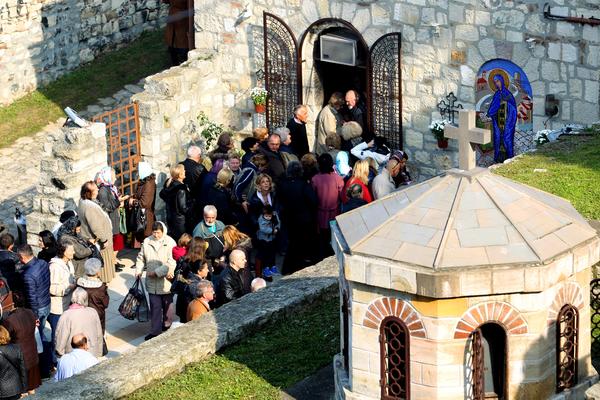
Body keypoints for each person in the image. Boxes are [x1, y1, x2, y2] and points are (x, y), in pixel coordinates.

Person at [135, 222, 176, 341]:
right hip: (152, 282)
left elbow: (171, 262)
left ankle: (167, 324)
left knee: (168, 306)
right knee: (155, 306)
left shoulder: (170, 242)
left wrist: (156, 272)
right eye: (154, 232)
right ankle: (155, 331)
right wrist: (138, 270)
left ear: (163, 232)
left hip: (166, 281)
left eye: (158, 232)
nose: (156, 235)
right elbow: (141, 257)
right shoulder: (147, 241)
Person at [278, 161, 318, 274]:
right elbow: (313, 200)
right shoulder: (304, 184)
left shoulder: (283, 184)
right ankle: (299, 267)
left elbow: (280, 200)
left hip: (289, 218)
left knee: (293, 242)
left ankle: (289, 267)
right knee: (302, 243)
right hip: (303, 218)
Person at [1, 294, 40, 394]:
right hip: (33, 355)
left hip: (20, 360)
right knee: (32, 389)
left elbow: (4, 338)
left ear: (13, 303)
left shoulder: (9, 321)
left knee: (23, 392)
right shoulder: (30, 312)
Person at [77, 181, 115, 283]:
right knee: (103, 266)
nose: (98, 189)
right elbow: (96, 227)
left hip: (97, 241)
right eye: (95, 189)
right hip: (100, 243)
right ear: (89, 193)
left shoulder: (84, 202)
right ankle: (102, 284)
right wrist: (104, 239)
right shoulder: (89, 207)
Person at [95, 167, 128, 273]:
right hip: (110, 220)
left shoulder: (110, 187)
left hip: (114, 218)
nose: (115, 178)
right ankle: (111, 263)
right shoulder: (103, 190)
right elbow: (107, 207)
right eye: (113, 176)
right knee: (114, 243)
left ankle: (113, 261)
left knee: (117, 242)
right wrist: (119, 201)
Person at [48, 238, 76, 362]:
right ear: (64, 252)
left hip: (67, 303)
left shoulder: (69, 263)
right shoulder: (55, 267)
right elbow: (52, 288)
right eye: (72, 250)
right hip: (57, 307)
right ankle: (54, 359)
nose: (74, 252)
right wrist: (68, 287)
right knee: (57, 334)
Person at [311, 153, 344, 258]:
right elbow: (342, 196)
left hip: (320, 214)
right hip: (335, 214)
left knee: (322, 239)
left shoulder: (315, 179)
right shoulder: (338, 178)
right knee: (334, 239)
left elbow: (313, 195)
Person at [54, 288, 103, 358]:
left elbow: (61, 337)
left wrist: (59, 353)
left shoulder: (66, 315)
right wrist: (99, 352)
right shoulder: (93, 312)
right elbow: (99, 334)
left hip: (73, 354)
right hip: (92, 353)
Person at [16, 245, 50, 343]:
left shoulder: (28, 275)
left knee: (37, 335)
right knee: (41, 330)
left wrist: (34, 317)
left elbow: (32, 298)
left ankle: (43, 354)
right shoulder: (43, 263)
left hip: (38, 308)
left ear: (22, 257)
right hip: (46, 302)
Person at [172, 237, 207, 322]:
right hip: (195, 300)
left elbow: (176, 275)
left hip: (182, 299)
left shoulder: (183, 260)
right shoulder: (200, 263)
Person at [486, 73, 517, 162]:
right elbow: (493, 106)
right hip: (497, 121)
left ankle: (510, 158)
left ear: (502, 81)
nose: (496, 83)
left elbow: (513, 108)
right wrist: (490, 114)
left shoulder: (508, 94)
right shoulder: (497, 94)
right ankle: (497, 159)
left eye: (498, 81)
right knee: (497, 139)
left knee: (507, 138)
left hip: (507, 121)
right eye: (495, 82)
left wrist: (505, 105)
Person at [76, 259, 109, 340]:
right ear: (97, 272)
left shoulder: (79, 283)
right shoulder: (101, 288)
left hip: (81, 315)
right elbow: (105, 303)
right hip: (97, 315)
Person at [159, 164, 191, 242]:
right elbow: (183, 208)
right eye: (183, 170)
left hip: (171, 218)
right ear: (180, 175)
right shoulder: (181, 190)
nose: (185, 171)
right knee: (181, 242)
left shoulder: (170, 185)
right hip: (181, 221)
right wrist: (192, 207)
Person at [181, 145, 207, 230]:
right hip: (197, 202)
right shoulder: (200, 168)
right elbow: (206, 185)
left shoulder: (180, 166)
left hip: (182, 201)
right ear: (198, 156)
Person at [130, 162, 157, 245]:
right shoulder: (144, 181)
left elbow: (145, 203)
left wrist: (133, 201)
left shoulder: (149, 183)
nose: (137, 172)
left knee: (146, 238)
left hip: (146, 215)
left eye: (138, 170)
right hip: (142, 213)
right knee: (143, 239)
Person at [192, 206, 226, 270]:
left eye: (213, 217)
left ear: (216, 216)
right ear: (204, 216)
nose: (210, 220)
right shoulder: (198, 230)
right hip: (209, 262)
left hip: (222, 259)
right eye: (208, 217)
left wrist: (224, 255)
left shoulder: (221, 225)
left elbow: (227, 240)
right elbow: (196, 251)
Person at [0, 326, 27, 399]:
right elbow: (23, 370)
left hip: (2, 392)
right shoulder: (17, 348)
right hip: (16, 388)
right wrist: (24, 389)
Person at [256, 205, 281, 278]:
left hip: (272, 238)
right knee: (265, 253)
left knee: (272, 252)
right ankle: (266, 268)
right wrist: (273, 231)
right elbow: (263, 228)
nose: (268, 218)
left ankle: (273, 267)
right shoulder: (261, 219)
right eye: (266, 216)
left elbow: (278, 222)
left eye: (269, 216)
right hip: (263, 239)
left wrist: (277, 228)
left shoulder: (274, 215)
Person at [164, 0, 191, 66]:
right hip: (174, 15)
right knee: (172, 40)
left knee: (182, 41)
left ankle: (182, 60)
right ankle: (175, 61)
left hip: (183, 17)